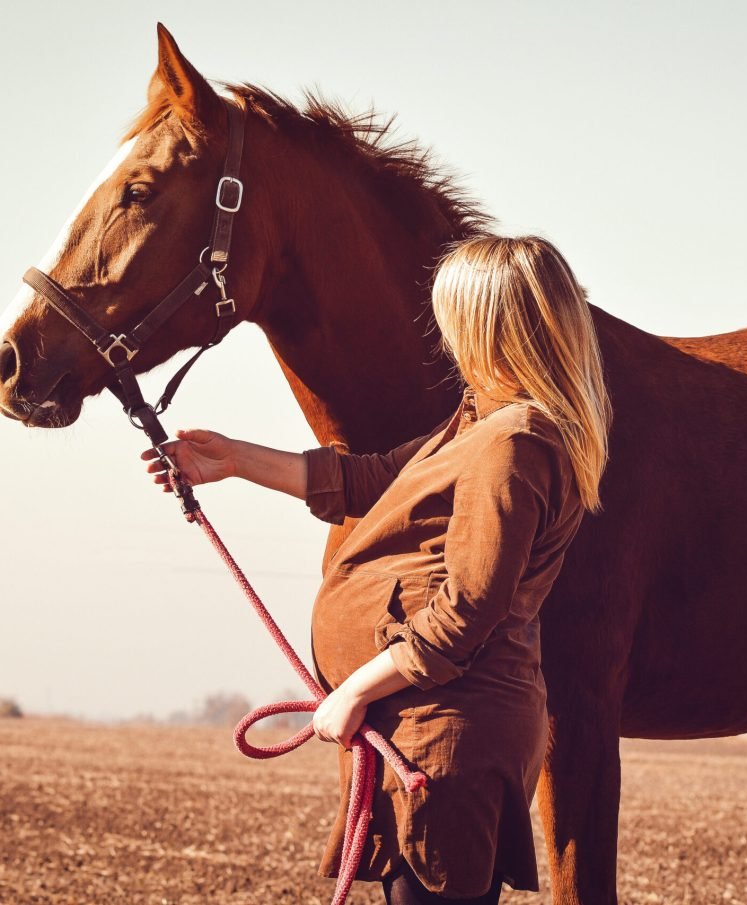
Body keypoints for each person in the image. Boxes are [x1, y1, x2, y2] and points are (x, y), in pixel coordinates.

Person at [142, 235, 612, 904]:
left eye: (453, 316)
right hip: (429, 727)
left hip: (448, 736)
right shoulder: (482, 425)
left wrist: (355, 689)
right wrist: (233, 460)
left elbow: (467, 611)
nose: (446, 335)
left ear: (488, 325)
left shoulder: (513, 445)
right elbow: (374, 479)